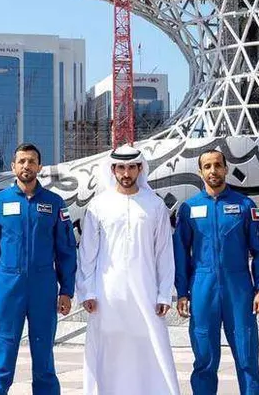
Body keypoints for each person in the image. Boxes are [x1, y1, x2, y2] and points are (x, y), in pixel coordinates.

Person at [76, 144, 180, 395]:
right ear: (113, 170)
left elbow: (164, 253)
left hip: (146, 292)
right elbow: (87, 253)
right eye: (121, 167)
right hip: (106, 294)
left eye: (131, 167)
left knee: (151, 349)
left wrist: (164, 293)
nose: (126, 172)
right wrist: (87, 291)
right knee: (110, 352)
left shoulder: (154, 205)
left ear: (139, 169)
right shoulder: (98, 205)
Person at [0, 143, 78, 395]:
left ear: (40, 167)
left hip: (43, 287)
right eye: (21, 161)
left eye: (32, 161)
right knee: (3, 352)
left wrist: (66, 290)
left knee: (44, 354)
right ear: (13, 167)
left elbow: (66, 250)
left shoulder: (54, 203)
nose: (26, 166)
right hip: (8, 287)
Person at [173, 149, 259, 395]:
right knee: (204, 359)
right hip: (202, 288)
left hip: (238, 289)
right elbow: (181, 255)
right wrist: (182, 292)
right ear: (200, 172)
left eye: (217, 165)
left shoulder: (244, 205)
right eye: (207, 166)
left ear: (226, 168)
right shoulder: (188, 209)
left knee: (247, 357)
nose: (213, 171)